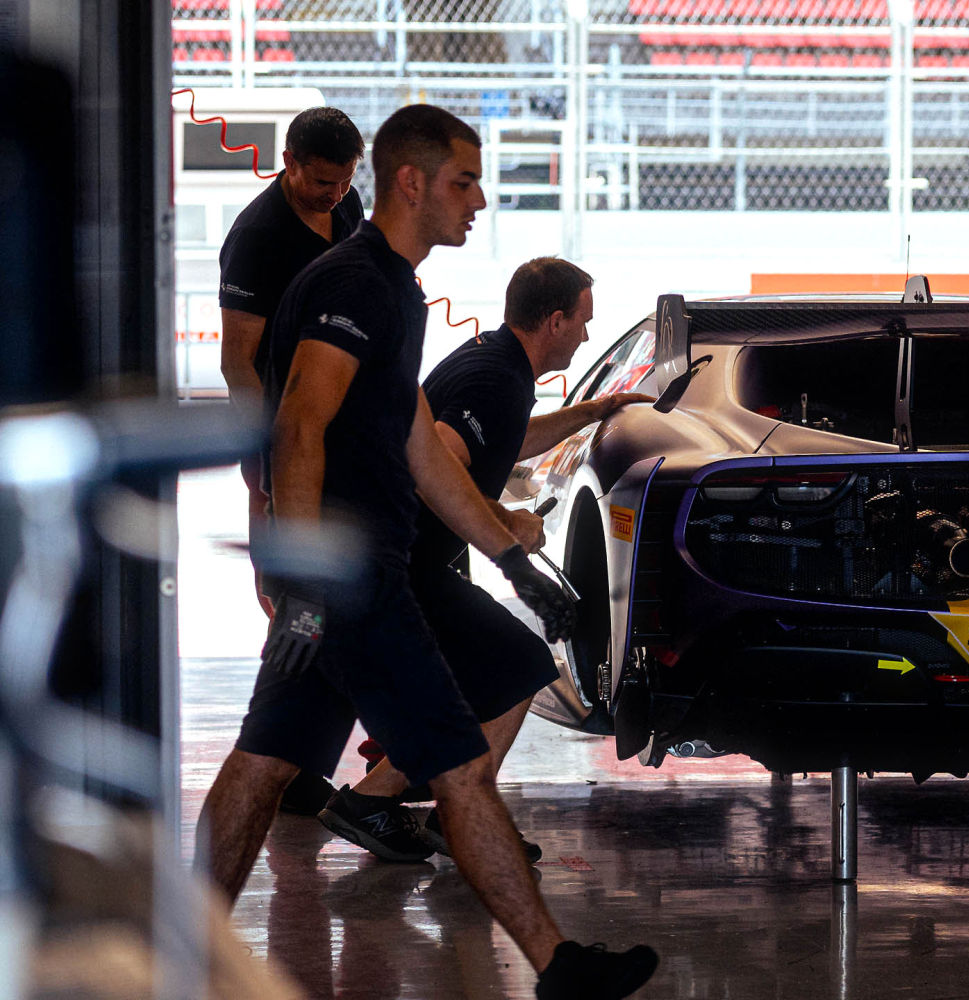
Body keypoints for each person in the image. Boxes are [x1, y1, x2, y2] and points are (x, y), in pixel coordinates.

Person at [194, 104, 657, 1000]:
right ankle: (558, 968)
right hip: (354, 582)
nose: (478, 201)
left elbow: (415, 445)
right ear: (411, 182)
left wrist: (511, 555)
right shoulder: (357, 285)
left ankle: (171, 953)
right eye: (463, 181)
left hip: (345, 578)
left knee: (262, 761)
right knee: (456, 767)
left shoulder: (392, 290)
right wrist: (304, 582)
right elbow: (297, 425)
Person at [317, 257, 653, 864]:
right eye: (582, 323)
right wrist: (507, 527)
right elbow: (439, 463)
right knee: (521, 665)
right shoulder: (495, 380)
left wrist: (590, 412)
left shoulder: (496, 364)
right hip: (400, 564)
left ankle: (426, 811)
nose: (586, 335)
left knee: (476, 680)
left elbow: (504, 438)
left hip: (391, 558)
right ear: (554, 321)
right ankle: (399, 809)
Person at [218, 106, 365, 815]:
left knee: (346, 591)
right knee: (290, 596)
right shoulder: (257, 238)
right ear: (289, 160)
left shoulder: (349, 208)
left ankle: (340, 748)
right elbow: (236, 360)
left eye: (343, 183)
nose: (331, 196)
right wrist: (266, 460)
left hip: (348, 431)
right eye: (319, 183)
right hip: (286, 436)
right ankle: (287, 758)